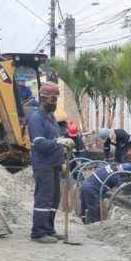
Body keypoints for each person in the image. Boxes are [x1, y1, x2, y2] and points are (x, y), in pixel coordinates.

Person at [27, 82, 75, 243]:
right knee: (44, 198)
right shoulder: (36, 119)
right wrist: (59, 142)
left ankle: (48, 228)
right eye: (52, 100)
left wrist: (64, 147)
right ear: (43, 98)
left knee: (54, 198)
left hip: (54, 164)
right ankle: (38, 232)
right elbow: (39, 143)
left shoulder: (51, 117)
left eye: (56, 99)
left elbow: (56, 138)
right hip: (43, 165)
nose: (54, 103)